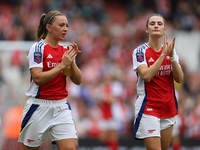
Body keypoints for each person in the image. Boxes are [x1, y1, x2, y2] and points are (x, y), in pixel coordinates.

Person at [18, 10, 82, 150]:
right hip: (38, 106)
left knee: (71, 148)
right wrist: (62, 65)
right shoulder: (38, 48)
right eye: (61, 25)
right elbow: (38, 78)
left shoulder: (65, 50)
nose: (65, 29)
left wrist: (72, 61)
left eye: (67, 25)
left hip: (61, 106)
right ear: (48, 27)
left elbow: (78, 80)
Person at [132, 13, 184, 150]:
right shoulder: (140, 51)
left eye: (159, 24)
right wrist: (162, 55)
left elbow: (179, 78)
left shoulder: (171, 51)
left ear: (165, 30)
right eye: (152, 23)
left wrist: (171, 57)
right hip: (148, 108)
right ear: (146, 29)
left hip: (168, 106)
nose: (156, 26)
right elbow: (146, 76)